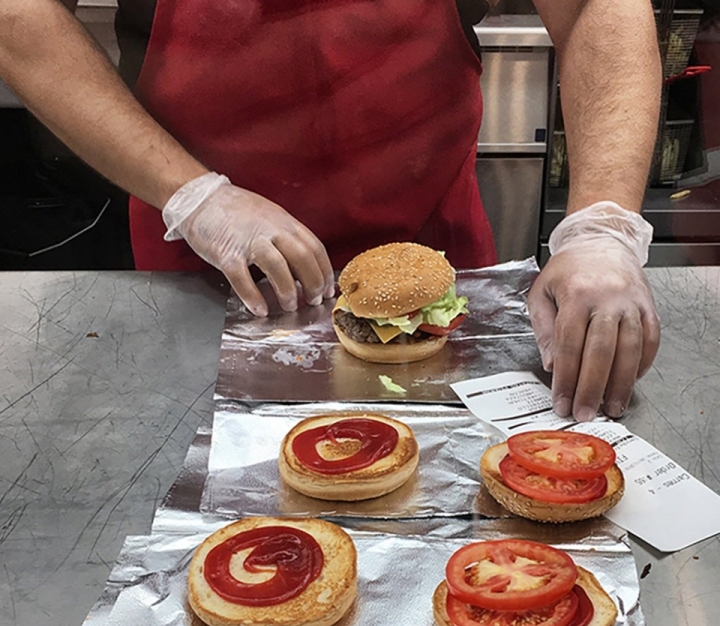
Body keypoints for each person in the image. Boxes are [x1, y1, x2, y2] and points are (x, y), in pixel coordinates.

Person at [0, 0, 662, 421]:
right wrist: (192, 195)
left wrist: (602, 225)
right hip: (202, 269)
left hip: (432, 275)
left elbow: (593, 8)